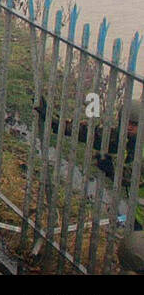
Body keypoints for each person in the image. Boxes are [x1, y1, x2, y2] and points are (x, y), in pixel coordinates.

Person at [34, 97, 141, 228]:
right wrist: (57, 122)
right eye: (126, 122)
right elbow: (93, 134)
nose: (129, 127)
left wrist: (112, 168)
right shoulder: (128, 138)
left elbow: (133, 177)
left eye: (134, 124)